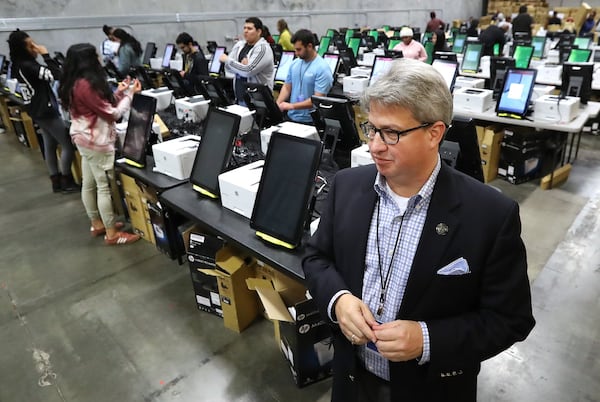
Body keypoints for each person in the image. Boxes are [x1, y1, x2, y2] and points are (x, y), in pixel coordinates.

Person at [302, 58, 535, 402]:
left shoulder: (489, 215)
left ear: (434, 133)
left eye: (392, 133)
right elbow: (316, 258)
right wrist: (339, 300)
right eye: (371, 128)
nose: (375, 145)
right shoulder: (347, 187)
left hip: (431, 390)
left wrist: (427, 339)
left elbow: (510, 319)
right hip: (352, 381)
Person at [58, 43, 142, 245]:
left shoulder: (73, 82)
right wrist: (130, 95)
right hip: (96, 141)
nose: (99, 57)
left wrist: (120, 92)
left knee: (89, 183)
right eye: (95, 55)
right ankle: (112, 233)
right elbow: (112, 114)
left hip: (83, 138)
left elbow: (99, 105)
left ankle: (97, 223)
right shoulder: (86, 85)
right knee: (103, 186)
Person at [7, 29, 78, 193]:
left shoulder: (17, 65)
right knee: (66, 144)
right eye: (30, 45)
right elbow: (56, 74)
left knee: (50, 144)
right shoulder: (29, 66)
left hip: (35, 110)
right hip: (46, 110)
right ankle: (67, 180)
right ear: (22, 48)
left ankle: (55, 179)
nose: (35, 47)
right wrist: (46, 55)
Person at [276, 29, 334, 124]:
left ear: (310, 46)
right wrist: (278, 104)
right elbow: (287, 86)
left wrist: (291, 106)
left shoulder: (322, 68)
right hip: (291, 117)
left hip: (310, 120)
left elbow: (317, 99)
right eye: (295, 49)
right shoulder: (294, 64)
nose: (296, 53)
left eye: (299, 49)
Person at [219, 17, 274, 105]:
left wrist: (230, 61)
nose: (245, 31)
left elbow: (248, 71)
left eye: (249, 28)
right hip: (240, 95)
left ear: (259, 32)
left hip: (258, 100)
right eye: (244, 28)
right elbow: (227, 68)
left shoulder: (263, 49)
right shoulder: (240, 45)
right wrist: (240, 66)